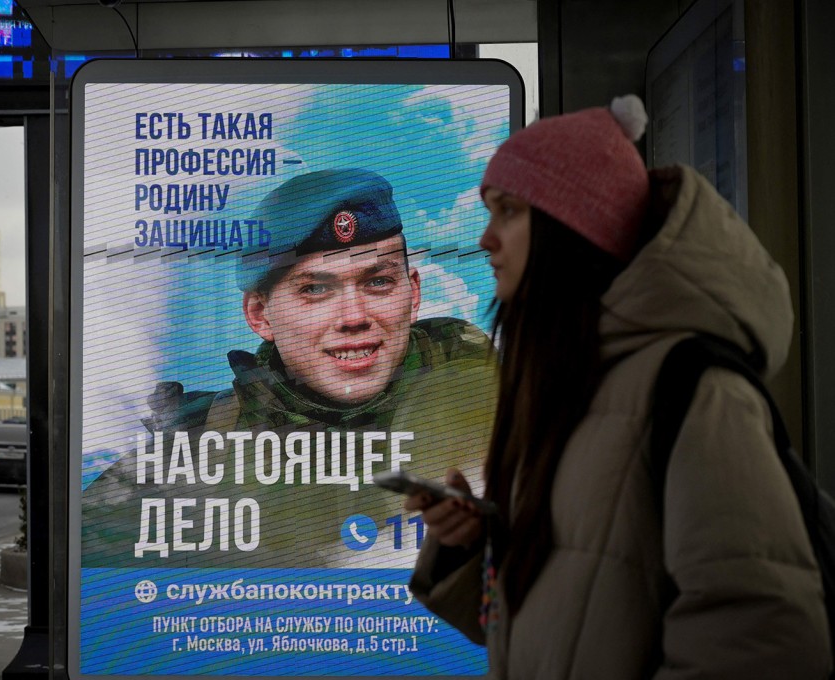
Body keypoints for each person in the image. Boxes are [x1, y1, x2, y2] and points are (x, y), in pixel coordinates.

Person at [407, 95, 832, 678]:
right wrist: (477, 544)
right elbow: (578, 620)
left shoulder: (692, 389)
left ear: (574, 225)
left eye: (507, 211)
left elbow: (763, 634)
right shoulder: (568, 381)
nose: (485, 239)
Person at [82, 169, 498, 568]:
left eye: (377, 282)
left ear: (413, 294)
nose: (354, 316)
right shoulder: (193, 445)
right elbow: (90, 588)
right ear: (260, 315)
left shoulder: (500, 404)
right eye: (315, 289)